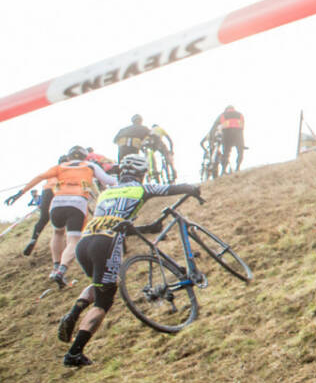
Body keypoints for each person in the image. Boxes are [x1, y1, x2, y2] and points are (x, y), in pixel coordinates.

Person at [57, 153, 200, 367]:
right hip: (106, 244)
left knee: (100, 284)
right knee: (104, 300)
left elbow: (113, 222)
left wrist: (146, 228)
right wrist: (192, 189)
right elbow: (173, 189)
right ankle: (74, 352)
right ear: (141, 173)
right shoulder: (142, 188)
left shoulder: (106, 193)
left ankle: (75, 311)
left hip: (85, 244)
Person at [7, 146, 118, 288]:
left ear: (69, 157)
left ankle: (55, 267)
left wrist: (19, 193)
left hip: (57, 202)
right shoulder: (89, 165)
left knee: (58, 233)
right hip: (77, 202)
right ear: (84, 156)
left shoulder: (60, 166)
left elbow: (40, 177)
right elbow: (109, 180)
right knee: (73, 240)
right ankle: (61, 270)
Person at [20, 174, 55, 257]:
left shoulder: (53, 172)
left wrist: (20, 193)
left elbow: (39, 177)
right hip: (58, 192)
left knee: (42, 220)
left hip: (46, 192)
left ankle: (33, 239)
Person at [209, 105, 245, 172]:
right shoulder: (240, 114)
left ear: (226, 109)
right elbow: (242, 126)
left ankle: (223, 170)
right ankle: (238, 167)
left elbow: (217, 126)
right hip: (238, 134)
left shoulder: (223, 115)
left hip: (227, 134)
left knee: (226, 152)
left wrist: (213, 138)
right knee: (240, 151)